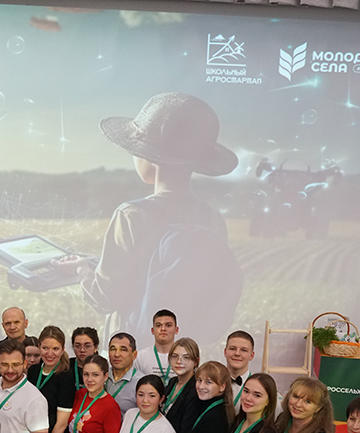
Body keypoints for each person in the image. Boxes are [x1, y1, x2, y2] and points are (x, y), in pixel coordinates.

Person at [78, 93, 242, 343]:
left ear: (150, 156)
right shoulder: (213, 220)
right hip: (184, 350)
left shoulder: (131, 215)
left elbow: (106, 297)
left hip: (133, 350)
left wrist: (81, 270)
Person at [162, 337, 201, 433]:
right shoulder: (172, 382)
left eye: (186, 357)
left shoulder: (197, 389)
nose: (179, 361)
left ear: (196, 362)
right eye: (175, 356)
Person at [135, 309, 178, 384]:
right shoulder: (140, 357)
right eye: (158, 325)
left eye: (168, 325)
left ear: (176, 330)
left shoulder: (184, 357)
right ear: (152, 330)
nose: (163, 329)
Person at [106, 332, 140, 415]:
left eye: (123, 350)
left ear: (134, 355)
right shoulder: (101, 376)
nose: (116, 354)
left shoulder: (141, 382)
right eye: (113, 349)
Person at [224, 331, 256, 408]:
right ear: (225, 352)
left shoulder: (260, 387)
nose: (237, 353)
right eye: (232, 349)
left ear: (251, 356)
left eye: (243, 350)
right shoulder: (211, 382)